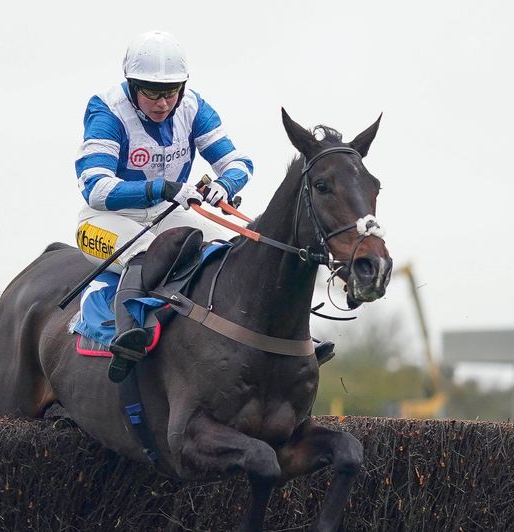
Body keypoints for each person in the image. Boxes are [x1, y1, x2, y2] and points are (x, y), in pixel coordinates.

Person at [75, 30, 331, 383]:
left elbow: (239, 162)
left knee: (238, 248)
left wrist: (223, 186)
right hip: (108, 218)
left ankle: (291, 335)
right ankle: (128, 336)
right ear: (132, 86)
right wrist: (162, 188)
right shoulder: (106, 110)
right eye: (152, 92)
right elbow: (96, 187)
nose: (164, 103)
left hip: (171, 210)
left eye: (171, 92)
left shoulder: (193, 106)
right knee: (149, 253)